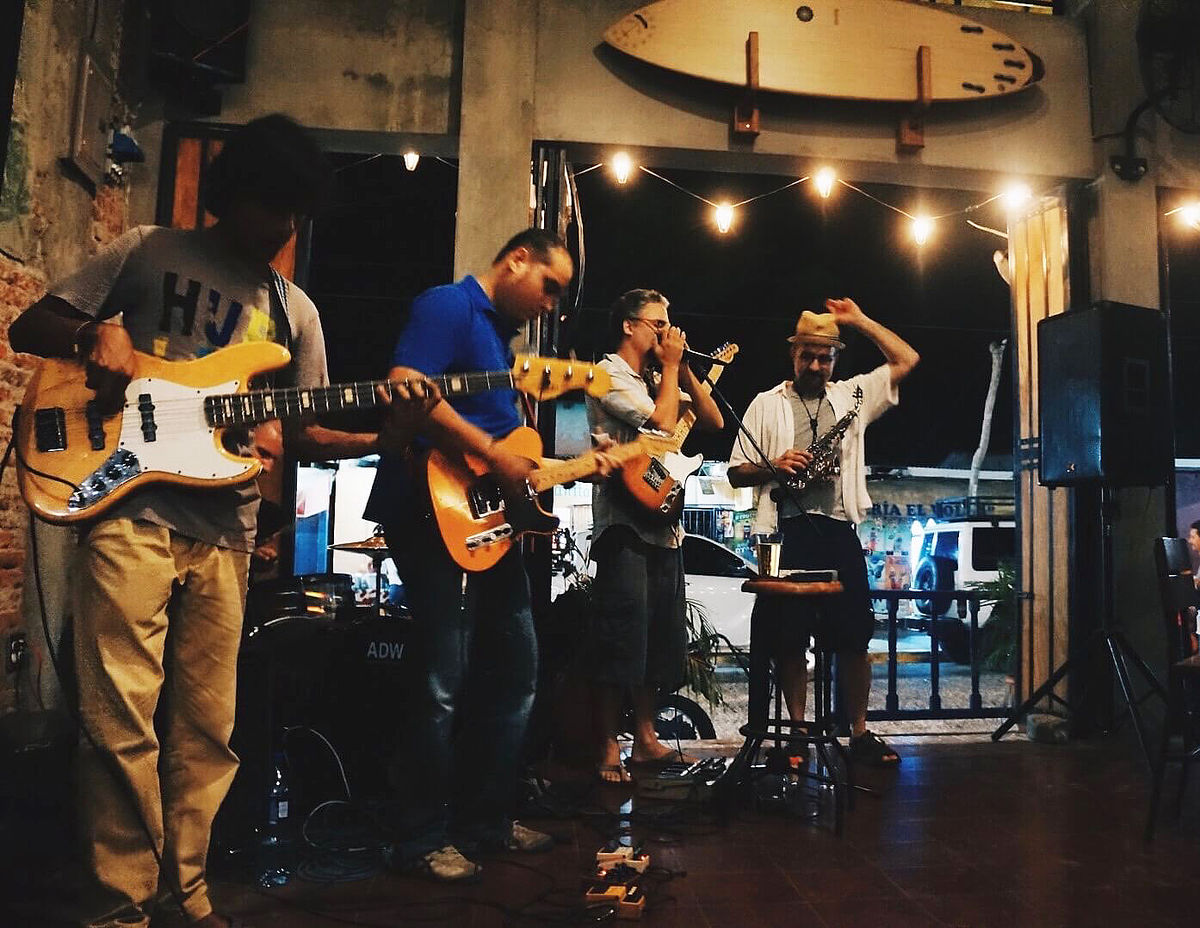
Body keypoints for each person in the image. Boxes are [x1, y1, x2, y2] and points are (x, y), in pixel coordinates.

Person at [8, 114, 434, 928]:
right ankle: (121, 909)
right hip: (128, 504)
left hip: (228, 531)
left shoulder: (294, 309)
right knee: (118, 721)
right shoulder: (146, 249)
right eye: (273, 208)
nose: (284, 228)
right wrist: (97, 331)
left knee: (207, 731)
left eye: (296, 214)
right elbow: (30, 325)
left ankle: (185, 895)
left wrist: (390, 432)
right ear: (233, 194)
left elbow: (306, 433)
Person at [365, 228, 610, 882]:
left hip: (484, 522)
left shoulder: (503, 344)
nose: (551, 305)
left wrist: (565, 468)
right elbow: (407, 385)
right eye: (548, 286)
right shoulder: (449, 306)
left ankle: (486, 823)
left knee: (514, 669)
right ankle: (419, 839)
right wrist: (496, 453)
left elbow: (504, 452)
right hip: (427, 509)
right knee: (442, 678)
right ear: (516, 261)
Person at [727, 298, 918, 767]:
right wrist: (774, 465)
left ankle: (859, 732)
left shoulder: (853, 395)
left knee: (855, 637)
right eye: (807, 355)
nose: (815, 365)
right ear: (793, 354)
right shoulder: (765, 404)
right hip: (786, 532)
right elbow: (733, 472)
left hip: (837, 529)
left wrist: (859, 320)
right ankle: (795, 733)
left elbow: (907, 359)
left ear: (836, 358)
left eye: (825, 357)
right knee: (789, 641)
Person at [585, 289, 724, 784]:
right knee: (620, 636)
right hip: (624, 524)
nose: (666, 333)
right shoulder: (608, 375)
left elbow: (712, 421)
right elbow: (663, 425)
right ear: (628, 325)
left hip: (665, 527)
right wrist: (670, 369)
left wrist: (683, 370)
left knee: (655, 639)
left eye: (669, 324)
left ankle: (645, 739)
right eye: (657, 324)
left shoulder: (654, 378)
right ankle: (606, 744)